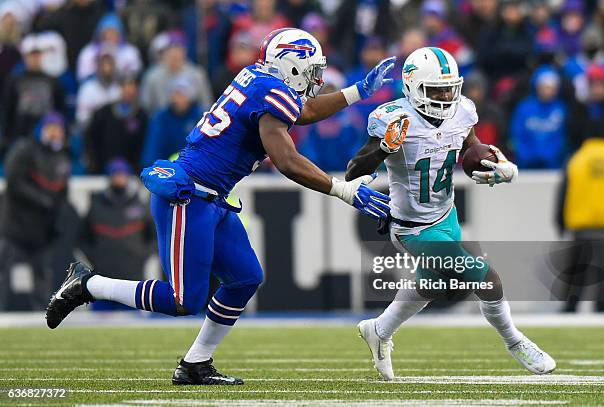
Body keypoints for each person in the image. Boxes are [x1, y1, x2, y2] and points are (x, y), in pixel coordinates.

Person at [45, 28, 395, 385]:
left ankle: (196, 363)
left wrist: (356, 92)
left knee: (245, 278)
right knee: (183, 299)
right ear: (290, 67)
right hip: (190, 195)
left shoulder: (262, 81)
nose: (316, 78)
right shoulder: (269, 90)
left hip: (213, 196)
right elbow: (286, 159)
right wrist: (344, 191)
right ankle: (89, 285)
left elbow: (300, 111)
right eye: (311, 70)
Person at [346, 47, 555, 381]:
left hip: (447, 216)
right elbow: (353, 171)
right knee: (482, 274)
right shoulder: (392, 118)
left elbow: (471, 153)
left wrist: (496, 167)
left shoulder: (462, 111)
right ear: (413, 87)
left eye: (449, 89)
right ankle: (515, 342)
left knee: (431, 284)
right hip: (410, 227)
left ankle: (379, 330)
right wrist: (384, 148)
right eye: (436, 90)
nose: (445, 97)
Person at [0, 112, 70, 310]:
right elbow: (14, 181)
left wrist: (57, 211)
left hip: (41, 230)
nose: (55, 133)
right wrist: (43, 200)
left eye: (58, 129)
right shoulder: (24, 149)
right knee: (3, 272)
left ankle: (44, 319)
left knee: (42, 277)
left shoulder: (62, 158)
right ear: (42, 129)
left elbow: (63, 191)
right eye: (51, 128)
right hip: (15, 226)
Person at [79, 158, 155, 311]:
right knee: (98, 326)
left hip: (133, 281)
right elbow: (81, 238)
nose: (119, 179)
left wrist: (141, 255)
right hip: (102, 280)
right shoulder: (96, 205)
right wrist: (95, 256)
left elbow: (154, 237)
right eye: (115, 175)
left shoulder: (139, 206)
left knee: (134, 327)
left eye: (122, 175)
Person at [556, 123, 604, 312]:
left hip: (582, 228)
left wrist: (560, 222)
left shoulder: (576, 159)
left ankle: (570, 306)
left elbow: (563, 193)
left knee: (576, 271)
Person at [1, 34, 65, 156]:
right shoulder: (15, 80)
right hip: (20, 132)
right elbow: (8, 108)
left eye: (37, 55)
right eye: (31, 55)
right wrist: (8, 136)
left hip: (46, 132)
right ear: (25, 57)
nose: (35, 58)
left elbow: (59, 108)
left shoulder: (52, 81)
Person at [84, 74, 148, 174]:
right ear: (121, 88)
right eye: (126, 86)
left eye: (132, 87)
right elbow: (90, 136)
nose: (129, 91)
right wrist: (94, 162)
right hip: (104, 168)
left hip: (132, 171)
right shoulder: (104, 112)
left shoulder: (142, 116)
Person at [140, 31, 212, 114]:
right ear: (163, 52)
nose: (174, 53)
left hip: (192, 122)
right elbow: (146, 106)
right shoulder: (152, 76)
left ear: (184, 51)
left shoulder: (197, 74)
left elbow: (206, 104)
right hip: (162, 123)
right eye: (170, 49)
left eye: (177, 49)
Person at [510, 66, 568, 169]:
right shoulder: (524, 108)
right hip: (526, 165)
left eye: (553, 88)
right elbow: (516, 135)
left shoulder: (561, 109)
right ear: (537, 86)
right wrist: (526, 155)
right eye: (546, 87)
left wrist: (551, 156)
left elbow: (563, 138)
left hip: (553, 165)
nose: (549, 91)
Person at [139, 76, 202, 167]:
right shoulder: (160, 118)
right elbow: (152, 150)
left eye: (182, 94)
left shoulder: (199, 116)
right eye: (175, 94)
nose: (178, 99)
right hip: (166, 169)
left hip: (194, 169)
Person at [76, 13, 142, 83]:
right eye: (107, 32)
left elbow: (136, 74)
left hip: (121, 88)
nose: (110, 36)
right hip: (96, 87)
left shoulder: (130, 52)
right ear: (100, 33)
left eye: (114, 32)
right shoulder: (89, 52)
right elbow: (82, 76)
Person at [75, 48, 121, 127]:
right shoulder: (87, 88)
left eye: (110, 63)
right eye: (104, 63)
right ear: (98, 66)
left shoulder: (119, 88)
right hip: (93, 129)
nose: (107, 67)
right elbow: (81, 118)